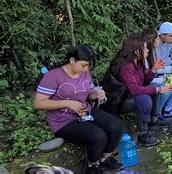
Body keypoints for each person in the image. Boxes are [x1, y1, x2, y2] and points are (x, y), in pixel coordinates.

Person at [34, 44, 123, 174]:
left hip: (84, 111)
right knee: (99, 136)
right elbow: (39, 103)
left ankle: (105, 159)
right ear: (71, 60)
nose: (86, 69)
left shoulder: (85, 73)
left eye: (88, 66)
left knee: (115, 126)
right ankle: (93, 166)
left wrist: (96, 94)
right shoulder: (53, 76)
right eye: (83, 65)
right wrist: (67, 103)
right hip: (63, 120)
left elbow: (89, 93)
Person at [108, 35, 170, 147]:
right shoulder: (126, 67)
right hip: (120, 101)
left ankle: (154, 120)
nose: (147, 50)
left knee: (153, 88)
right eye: (145, 48)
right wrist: (157, 89)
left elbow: (144, 82)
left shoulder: (138, 62)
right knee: (144, 98)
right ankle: (143, 134)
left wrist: (154, 69)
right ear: (136, 51)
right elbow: (135, 89)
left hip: (130, 96)